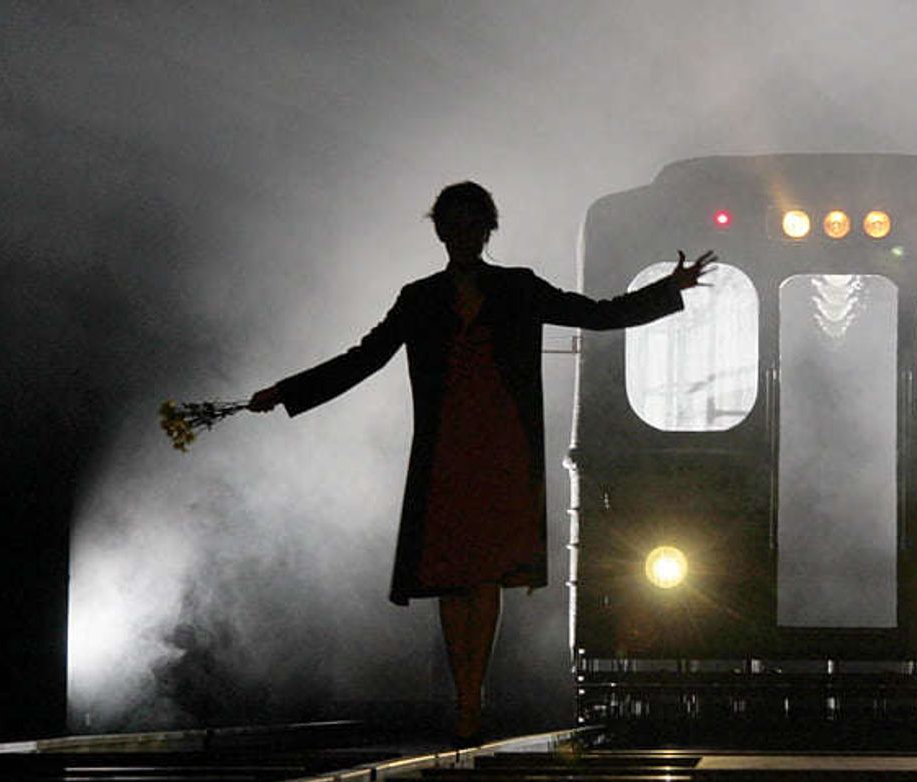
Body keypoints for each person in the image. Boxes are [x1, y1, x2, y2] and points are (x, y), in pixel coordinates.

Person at [248, 181, 713, 743]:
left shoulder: (518, 287)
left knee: (484, 573)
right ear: (441, 232)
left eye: (473, 225)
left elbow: (595, 314)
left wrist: (668, 289)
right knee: (453, 575)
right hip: (447, 450)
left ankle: (472, 698)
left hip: (501, 449)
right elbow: (364, 358)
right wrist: (287, 392)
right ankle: (466, 697)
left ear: (487, 230)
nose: (463, 235)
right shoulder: (418, 298)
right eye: (454, 225)